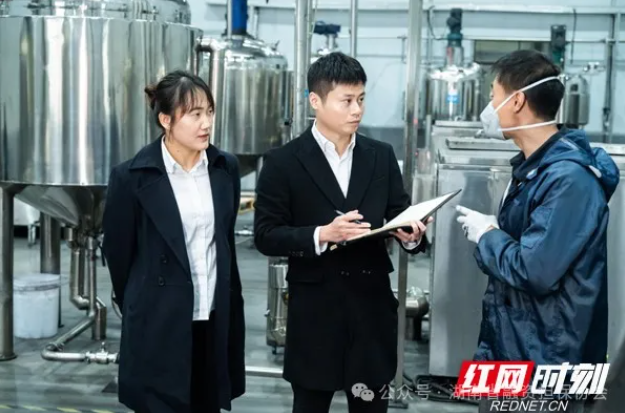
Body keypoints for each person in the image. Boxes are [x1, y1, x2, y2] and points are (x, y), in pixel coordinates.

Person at [253, 51, 429, 413]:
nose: (357, 110)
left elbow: (399, 213)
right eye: (346, 101)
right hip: (316, 312)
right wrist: (322, 234)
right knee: (310, 406)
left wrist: (411, 236)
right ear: (315, 101)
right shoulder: (283, 162)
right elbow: (266, 234)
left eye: (361, 99)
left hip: (371, 309)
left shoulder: (380, 156)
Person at [455, 50, 619, 412]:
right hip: (512, 341)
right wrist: (497, 232)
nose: (489, 107)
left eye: (493, 96)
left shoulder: (568, 179)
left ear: (516, 102)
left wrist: (488, 236)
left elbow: (535, 271)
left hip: (547, 359)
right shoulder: (535, 168)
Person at [101, 70, 245, 413]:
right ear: (166, 120)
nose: (206, 123)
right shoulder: (131, 177)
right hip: (159, 320)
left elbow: (224, 242)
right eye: (194, 114)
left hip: (212, 315)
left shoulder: (225, 168)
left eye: (209, 111)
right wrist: (141, 301)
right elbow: (118, 255)